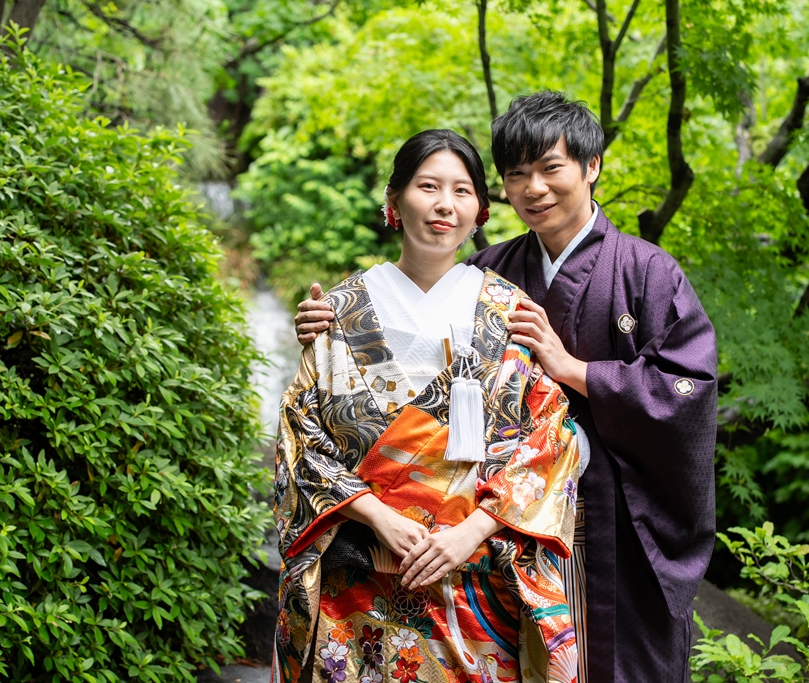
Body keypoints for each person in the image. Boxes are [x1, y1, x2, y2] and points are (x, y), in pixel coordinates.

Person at [293, 92, 719, 682]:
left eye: (551, 168)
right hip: (482, 535)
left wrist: (573, 370)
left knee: (617, 663)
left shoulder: (647, 271)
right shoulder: (486, 273)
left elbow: (688, 387)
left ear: (591, 166)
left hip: (609, 516)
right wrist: (325, 325)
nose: (534, 189)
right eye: (517, 175)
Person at [273, 129, 585, 683]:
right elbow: (300, 437)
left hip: (475, 580)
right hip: (359, 579)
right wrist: (378, 517)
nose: (445, 204)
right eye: (428, 187)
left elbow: (548, 438)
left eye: (462, 191)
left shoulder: (508, 310)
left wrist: (470, 532)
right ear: (393, 201)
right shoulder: (340, 310)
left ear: (480, 211)